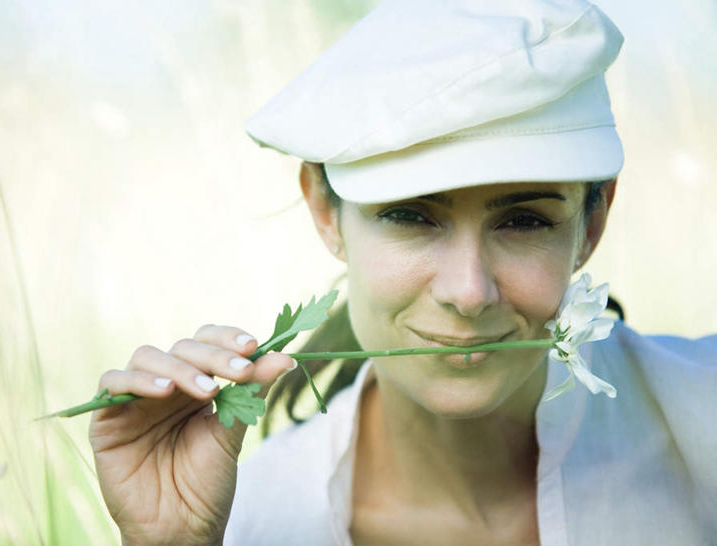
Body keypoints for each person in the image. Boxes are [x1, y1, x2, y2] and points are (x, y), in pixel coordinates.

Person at [89, 1, 717, 544]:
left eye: (523, 221)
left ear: (593, 221)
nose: (469, 292)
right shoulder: (251, 519)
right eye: (412, 216)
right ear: (323, 210)